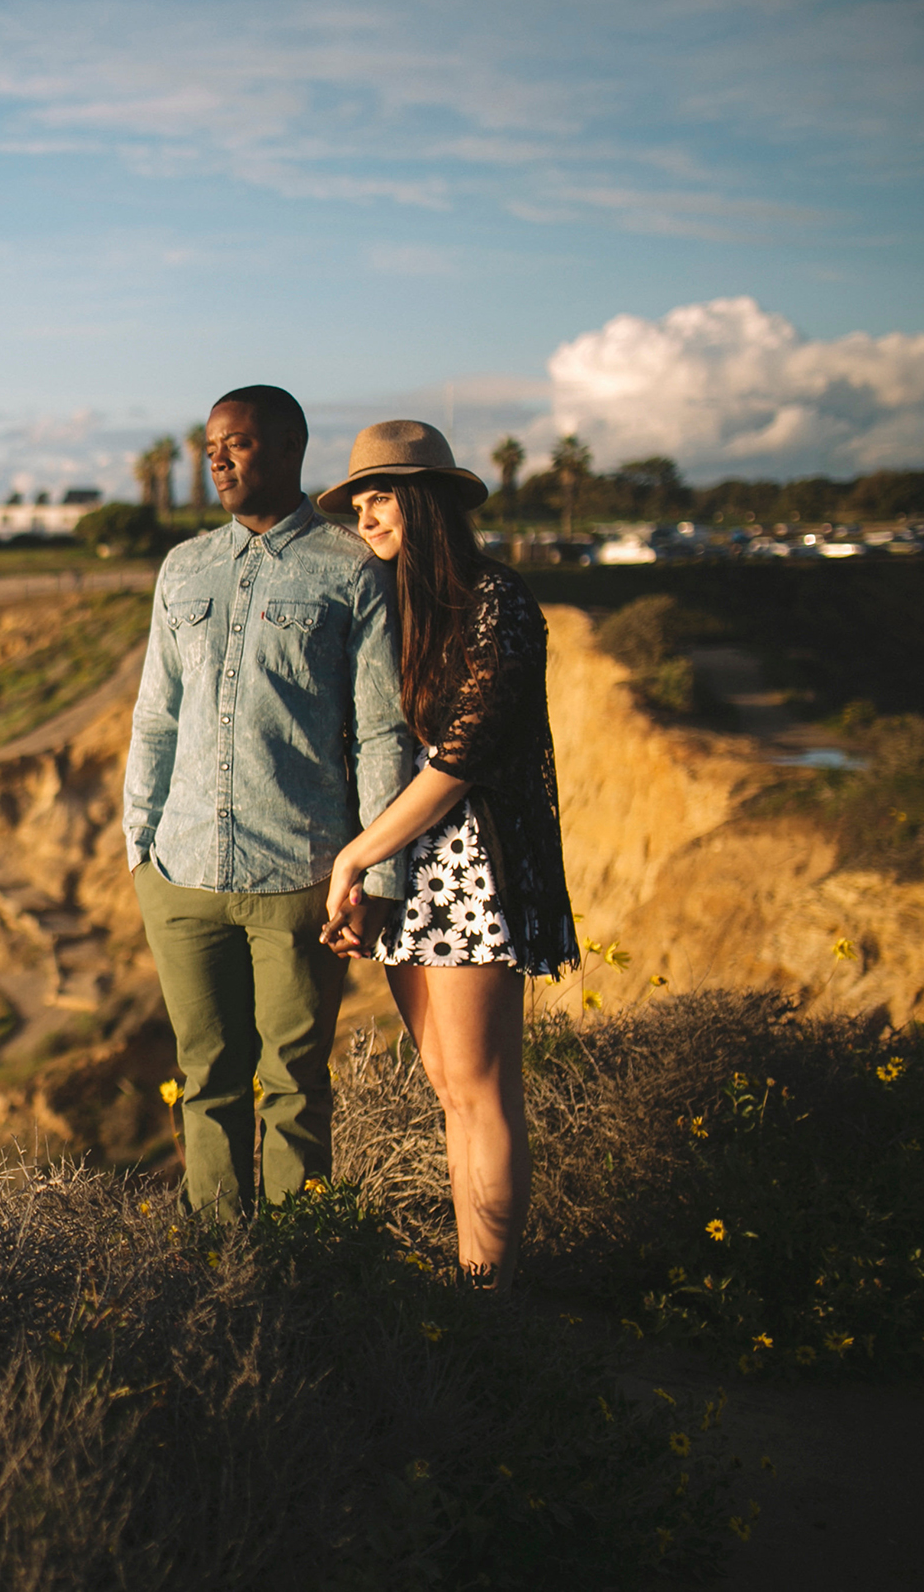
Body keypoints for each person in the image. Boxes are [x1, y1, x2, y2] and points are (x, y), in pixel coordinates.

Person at [124, 385, 419, 1218]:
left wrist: (379, 879)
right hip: (179, 875)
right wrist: (139, 848)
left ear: (289, 450)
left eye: (240, 443)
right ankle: (219, 1266)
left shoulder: (352, 569)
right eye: (212, 444)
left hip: (300, 879)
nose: (217, 457)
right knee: (205, 1078)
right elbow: (155, 716)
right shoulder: (182, 569)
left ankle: (304, 1268)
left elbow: (381, 734)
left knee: (293, 1084)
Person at [315, 419, 580, 1286]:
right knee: (446, 1083)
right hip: (405, 865)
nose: (366, 515)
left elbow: (464, 752)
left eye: (382, 495)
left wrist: (358, 855)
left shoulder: (495, 599)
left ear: (425, 501)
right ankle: (477, 1280)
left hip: (469, 865)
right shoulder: (387, 605)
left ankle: (490, 1295)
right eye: (359, 500)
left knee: (480, 1086)